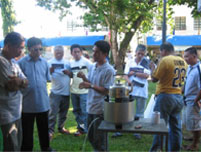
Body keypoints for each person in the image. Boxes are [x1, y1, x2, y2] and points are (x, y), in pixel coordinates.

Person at [150, 42, 187, 151]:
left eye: (160, 52)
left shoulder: (165, 60)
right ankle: (175, 150)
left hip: (165, 96)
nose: (160, 54)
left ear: (164, 50)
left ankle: (156, 149)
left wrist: (152, 68)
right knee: (176, 127)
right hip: (178, 96)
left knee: (160, 125)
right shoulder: (183, 61)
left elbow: (154, 79)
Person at [79, 40, 115, 151]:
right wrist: (84, 79)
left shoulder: (109, 70)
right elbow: (93, 83)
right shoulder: (93, 66)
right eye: (93, 51)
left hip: (101, 109)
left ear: (105, 54)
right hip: (90, 106)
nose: (93, 54)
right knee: (91, 137)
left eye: (97, 52)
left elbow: (106, 91)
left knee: (100, 140)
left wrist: (89, 85)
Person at [18, 37, 53, 151]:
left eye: (40, 49)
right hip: (27, 104)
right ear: (29, 49)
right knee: (27, 131)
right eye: (35, 50)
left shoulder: (44, 63)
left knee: (44, 129)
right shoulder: (20, 63)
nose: (38, 52)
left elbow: (47, 79)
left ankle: (46, 148)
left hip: (42, 102)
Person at [0, 32, 28, 151]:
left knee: (18, 145)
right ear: (8, 46)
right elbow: (11, 86)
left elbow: (26, 82)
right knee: (11, 146)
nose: (21, 51)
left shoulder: (14, 62)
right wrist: (21, 82)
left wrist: (20, 82)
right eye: (19, 47)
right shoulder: (1, 62)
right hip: (6, 113)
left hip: (16, 111)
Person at [123, 44, 151, 139]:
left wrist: (134, 73)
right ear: (135, 53)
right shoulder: (130, 62)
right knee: (126, 110)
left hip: (142, 91)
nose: (140, 56)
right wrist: (129, 81)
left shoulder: (146, 62)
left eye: (142, 54)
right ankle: (123, 128)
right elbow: (126, 74)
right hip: (131, 90)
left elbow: (146, 75)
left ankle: (137, 130)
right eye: (139, 53)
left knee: (140, 112)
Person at [48, 45, 71, 140]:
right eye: (56, 52)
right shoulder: (49, 62)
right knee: (52, 113)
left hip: (66, 92)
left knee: (63, 112)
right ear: (53, 53)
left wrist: (68, 73)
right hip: (55, 92)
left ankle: (61, 128)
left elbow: (73, 75)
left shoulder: (67, 62)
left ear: (63, 53)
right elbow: (46, 78)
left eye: (60, 52)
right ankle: (50, 131)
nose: (58, 54)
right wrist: (49, 72)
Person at [69, 44, 92, 136]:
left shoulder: (87, 62)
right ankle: (81, 127)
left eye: (78, 52)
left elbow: (92, 75)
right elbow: (72, 76)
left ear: (81, 52)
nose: (77, 54)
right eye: (75, 52)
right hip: (74, 91)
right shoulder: (70, 63)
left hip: (84, 92)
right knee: (76, 111)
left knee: (84, 111)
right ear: (71, 53)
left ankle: (82, 129)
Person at [182, 47, 201, 151]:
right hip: (187, 99)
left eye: (187, 56)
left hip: (193, 100)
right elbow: (186, 81)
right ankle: (192, 137)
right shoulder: (190, 67)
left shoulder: (199, 69)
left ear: (194, 56)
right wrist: (182, 91)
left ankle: (195, 144)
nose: (185, 58)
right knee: (188, 121)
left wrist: (196, 100)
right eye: (184, 56)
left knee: (195, 123)